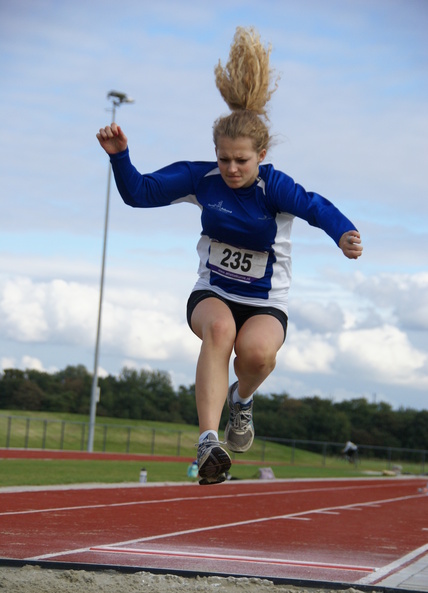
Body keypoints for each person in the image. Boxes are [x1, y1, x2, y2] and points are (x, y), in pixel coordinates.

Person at [96, 27, 363, 486]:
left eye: (241, 160)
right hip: (213, 291)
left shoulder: (274, 186)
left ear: (261, 155)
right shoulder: (202, 180)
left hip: (264, 299)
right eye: (224, 160)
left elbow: (316, 206)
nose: (232, 169)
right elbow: (138, 194)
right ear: (215, 155)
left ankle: (242, 401)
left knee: (256, 354)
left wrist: (344, 234)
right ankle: (207, 442)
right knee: (220, 331)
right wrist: (120, 157)